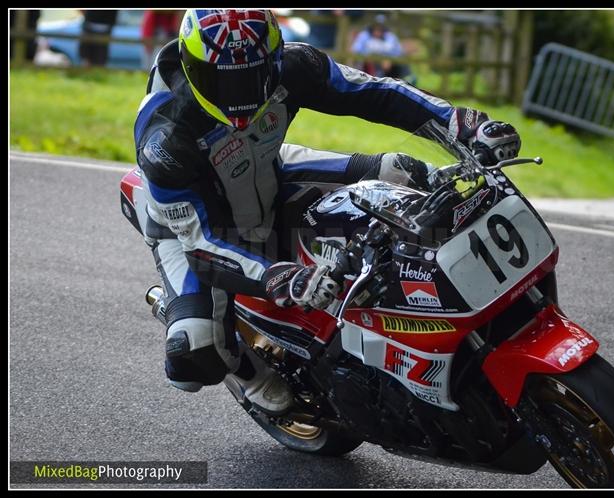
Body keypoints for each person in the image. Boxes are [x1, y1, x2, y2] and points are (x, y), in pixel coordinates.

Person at [132, 9, 520, 416]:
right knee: (193, 355)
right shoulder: (166, 138)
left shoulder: (296, 65)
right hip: (189, 227)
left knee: (404, 172)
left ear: (275, 59)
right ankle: (250, 375)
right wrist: (279, 277)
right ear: (195, 68)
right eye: (223, 81)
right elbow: (201, 245)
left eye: (252, 76)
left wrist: (461, 124)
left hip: (266, 171)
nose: (239, 94)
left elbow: (375, 92)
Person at [350, 14, 407, 79]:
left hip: (386, 65)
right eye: (376, 28)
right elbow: (355, 50)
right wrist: (368, 57)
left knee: (398, 67)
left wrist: (389, 59)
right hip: (367, 63)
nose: (378, 31)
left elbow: (399, 52)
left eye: (381, 28)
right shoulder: (364, 35)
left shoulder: (390, 37)